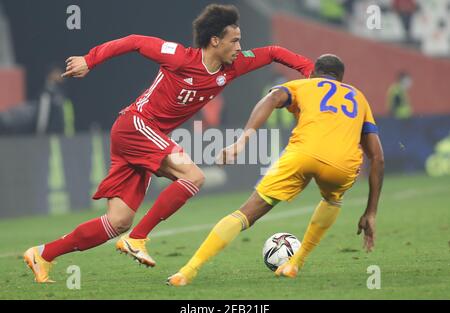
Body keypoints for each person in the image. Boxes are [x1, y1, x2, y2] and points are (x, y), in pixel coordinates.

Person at [23, 4, 313, 283]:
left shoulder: (233, 66)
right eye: (234, 40)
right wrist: (90, 59)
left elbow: (274, 52)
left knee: (117, 221)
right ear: (214, 41)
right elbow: (135, 41)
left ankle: (43, 255)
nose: (239, 47)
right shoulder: (179, 56)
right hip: (136, 125)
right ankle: (138, 238)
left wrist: (312, 73)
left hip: (143, 137)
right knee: (193, 176)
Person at [168, 54, 384, 286]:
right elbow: (377, 158)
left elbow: (272, 99)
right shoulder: (358, 97)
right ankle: (295, 263)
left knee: (245, 213)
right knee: (333, 199)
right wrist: (370, 212)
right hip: (342, 164)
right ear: (341, 79)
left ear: (312, 73)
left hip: (301, 155)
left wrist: (242, 140)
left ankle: (187, 271)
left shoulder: (302, 85)